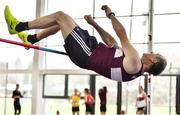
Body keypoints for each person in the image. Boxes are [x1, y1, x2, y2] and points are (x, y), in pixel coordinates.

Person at [4, 5, 167, 82]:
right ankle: (30, 40)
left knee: (61, 16)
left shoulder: (134, 63)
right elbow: (113, 43)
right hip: (91, 48)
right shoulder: (132, 67)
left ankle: (17, 26)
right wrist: (94, 24)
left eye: (155, 54)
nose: (153, 52)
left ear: (154, 60)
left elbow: (121, 34)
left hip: (87, 53)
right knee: (59, 23)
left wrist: (110, 14)